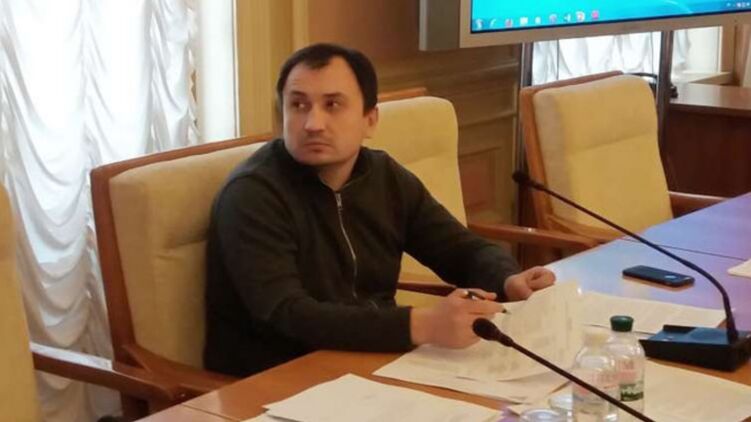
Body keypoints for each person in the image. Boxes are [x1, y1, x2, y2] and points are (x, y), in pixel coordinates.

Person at [204, 43, 555, 377]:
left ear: (370, 120)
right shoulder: (252, 194)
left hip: (373, 360)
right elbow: (287, 315)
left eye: (332, 104)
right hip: (278, 377)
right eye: (298, 105)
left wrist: (508, 278)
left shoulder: (384, 176)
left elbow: (459, 249)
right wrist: (422, 325)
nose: (313, 123)